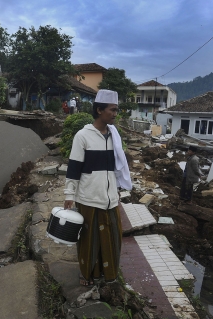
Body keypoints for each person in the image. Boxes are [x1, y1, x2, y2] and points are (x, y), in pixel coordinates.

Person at [64, 89, 132, 287]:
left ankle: (107, 274)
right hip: (88, 198)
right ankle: (87, 274)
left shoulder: (114, 136)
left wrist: (118, 191)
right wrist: (69, 194)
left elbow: (118, 167)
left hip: (110, 199)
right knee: (89, 241)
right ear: (100, 110)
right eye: (112, 110)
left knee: (112, 240)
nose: (115, 114)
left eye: (116, 110)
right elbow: (74, 168)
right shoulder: (83, 136)